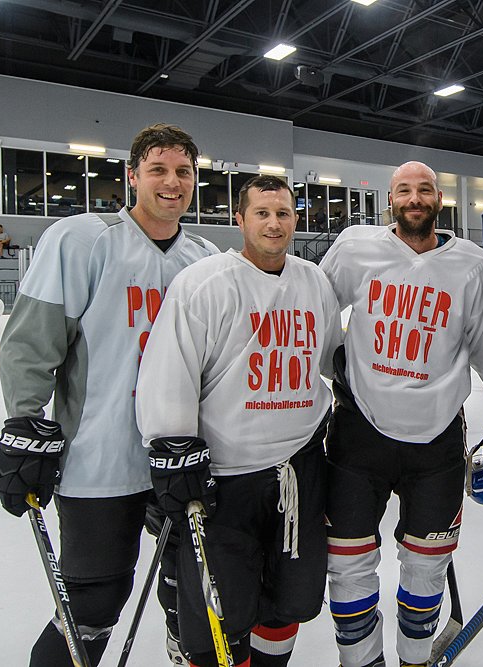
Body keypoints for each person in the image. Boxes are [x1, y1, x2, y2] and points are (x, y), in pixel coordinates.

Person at [0, 123, 219, 667]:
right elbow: (31, 342)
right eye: (157, 170)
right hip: (99, 461)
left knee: (192, 597)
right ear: (132, 176)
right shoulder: (83, 240)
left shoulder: (204, 259)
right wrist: (24, 420)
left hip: (179, 459)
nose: (171, 182)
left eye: (183, 171)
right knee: (93, 601)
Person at [135, 175, 342, 667]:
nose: (274, 223)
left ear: (296, 219)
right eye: (262, 213)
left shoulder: (314, 281)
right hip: (223, 481)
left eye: (284, 214)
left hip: (298, 471)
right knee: (220, 616)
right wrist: (170, 447)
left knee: (290, 600)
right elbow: (170, 370)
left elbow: (332, 358)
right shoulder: (203, 282)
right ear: (239, 220)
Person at [319, 161, 483, 667]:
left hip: (438, 439)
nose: (414, 198)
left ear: (439, 198)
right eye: (403, 190)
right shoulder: (355, 248)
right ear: (390, 200)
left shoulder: (472, 263)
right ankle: (362, 662)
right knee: (348, 564)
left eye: (424, 190)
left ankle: (415, 659)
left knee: (426, 567)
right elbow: (315, 315)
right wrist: (332, 372)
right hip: (359, 435)